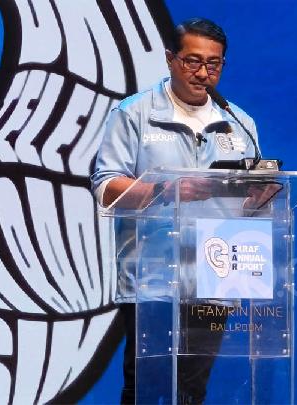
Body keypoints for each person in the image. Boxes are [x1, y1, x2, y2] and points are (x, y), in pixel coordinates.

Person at [90, 17, 260, 404]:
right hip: (153, 273)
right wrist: (164, 191)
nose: (202, 73)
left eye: (213, 64)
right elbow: (105, 186)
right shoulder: (134, 113)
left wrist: (261, 196)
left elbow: (252, 197)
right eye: (192, 61)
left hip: (216, 274)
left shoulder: (239, 123)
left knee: (191, 390)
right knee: (148, 387)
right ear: (170, 59)